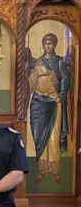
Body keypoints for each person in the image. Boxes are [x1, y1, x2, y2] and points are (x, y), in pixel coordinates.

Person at [28, 33, 71, 185]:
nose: (48, 46)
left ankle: (55, 171)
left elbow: (66, 80)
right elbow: (32, 82)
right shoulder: (39, 62)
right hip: (39, 102)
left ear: (55, 45)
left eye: (51, 43)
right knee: (40, 136)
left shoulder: (59, 62)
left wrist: (60, 94)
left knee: (53, 138)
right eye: (45, 43)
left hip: (54, 102)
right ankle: (43, 170)